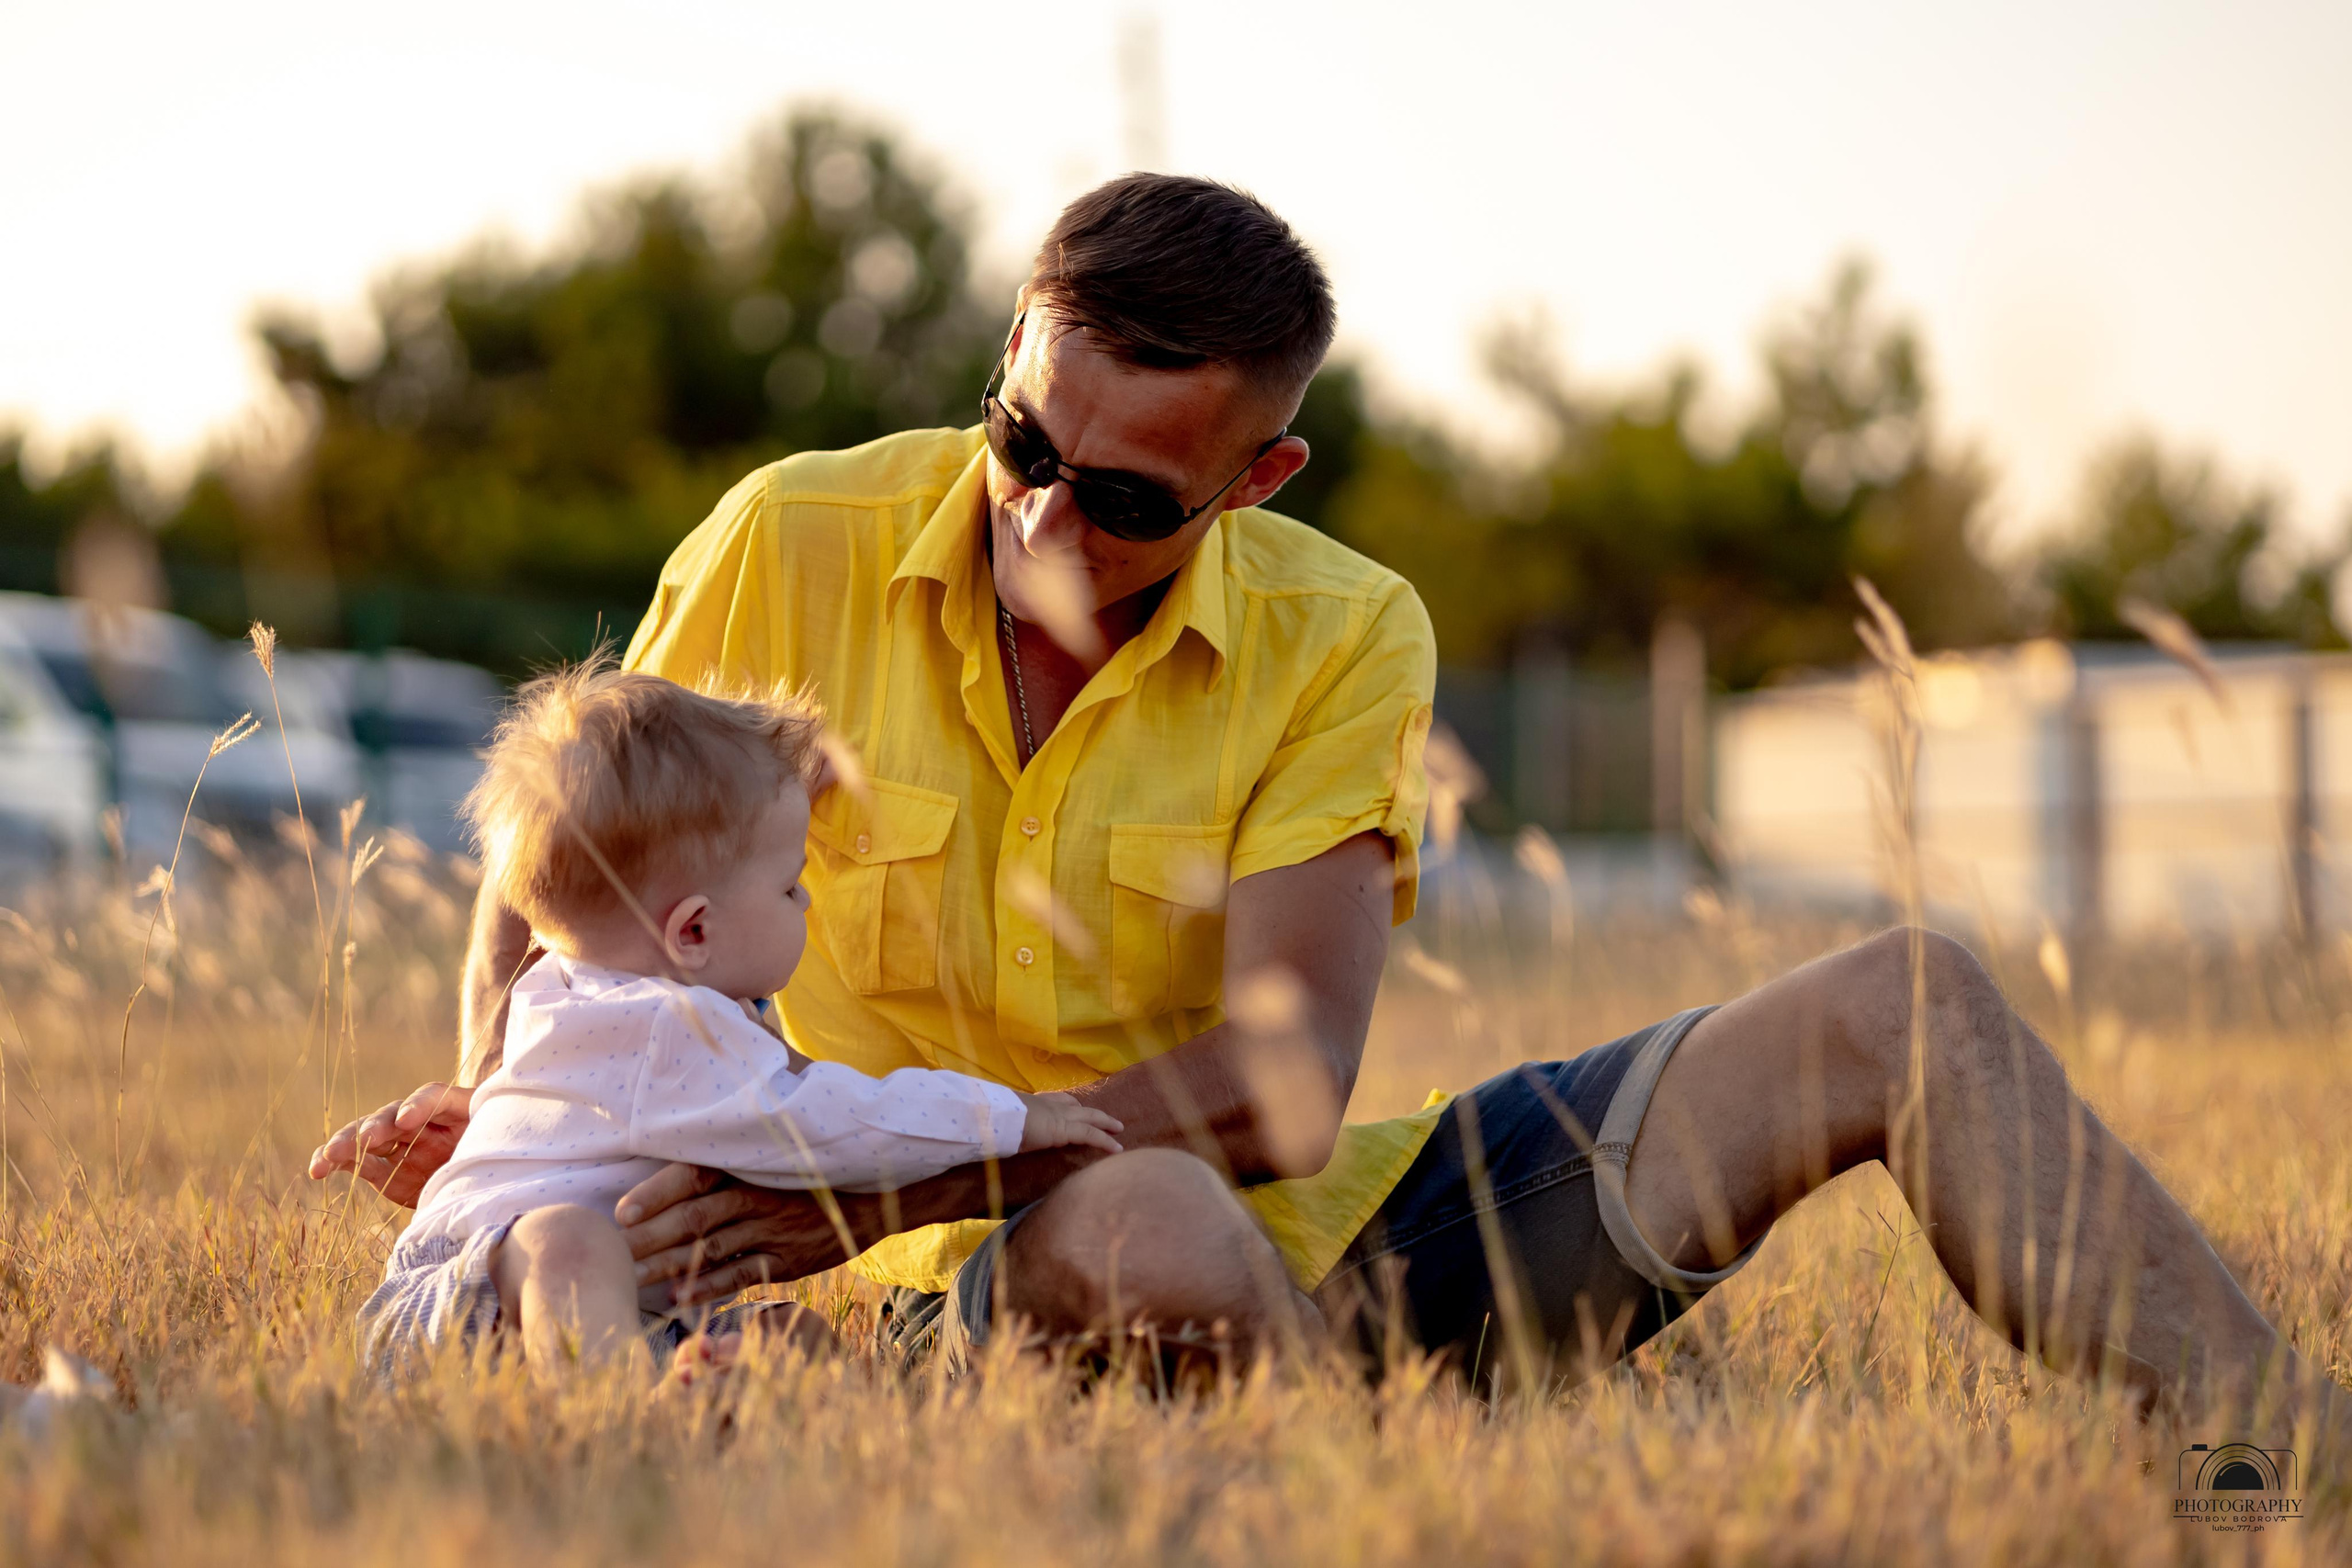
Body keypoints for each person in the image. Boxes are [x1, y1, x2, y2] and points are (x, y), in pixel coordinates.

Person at [317, 175, 2343, 1433]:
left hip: (1309, 1236)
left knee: (1911, 997)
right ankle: (1318, 1463)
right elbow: (560, 841)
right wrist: (526, 1116)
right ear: (1004, 364)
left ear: (1253, 482)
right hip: (857, 1298)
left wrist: (888, 1173)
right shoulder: (786, 532)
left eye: (1121, 499)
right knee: (1143, 1208)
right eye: (1020, 436)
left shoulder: (1347, 628)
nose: (1039, 510)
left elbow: (1284, 1082)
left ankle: (2275, 1447)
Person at [356, 663, 1121, 1382]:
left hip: (586, 1321)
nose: (807, 903)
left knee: (789, 1338)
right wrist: (1012, 1118)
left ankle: (684, 1398)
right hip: (461, 1310)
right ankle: (613, 1418)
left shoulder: (570, 987)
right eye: (790, 886)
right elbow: (837, 1125)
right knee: (569, 1239)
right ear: (693, 931)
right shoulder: (664, 1026)